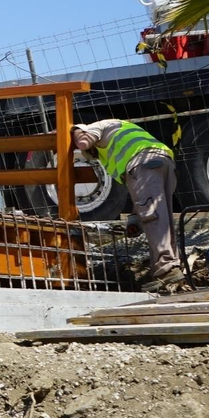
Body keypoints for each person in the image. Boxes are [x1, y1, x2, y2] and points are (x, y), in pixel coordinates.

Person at [70, 120, 185, 292]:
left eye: (92, 153)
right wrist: (133, 217)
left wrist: (74, 131)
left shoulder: (95, 128)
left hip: (142, 164)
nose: (94, 154)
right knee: (162, 217)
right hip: (163, 161)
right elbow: (143, 201)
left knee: (152, 218)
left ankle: (166, 268)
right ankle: (163, 273)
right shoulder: (121, 126)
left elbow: (83, 142)